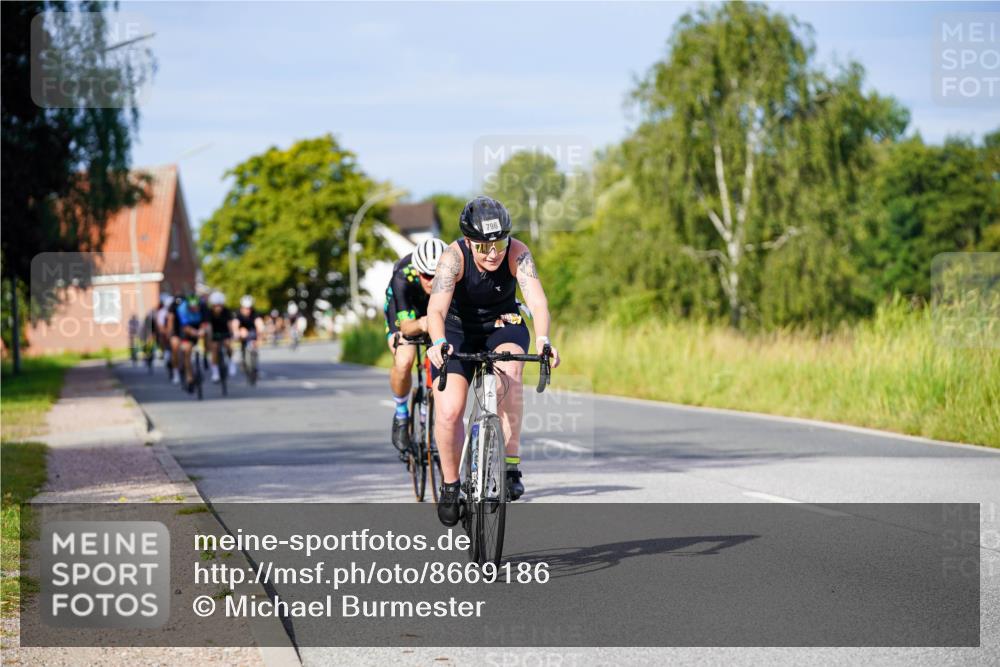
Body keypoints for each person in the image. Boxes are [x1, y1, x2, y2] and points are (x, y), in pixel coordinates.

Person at [426, 196, 560, 526]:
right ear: (469, 241)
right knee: (449, 410)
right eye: (482, 246)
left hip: (503, 324)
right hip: (457, 329)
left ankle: (511, 462)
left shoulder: (518, 253)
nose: (492, 253)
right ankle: (450, 484)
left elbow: (538, 303)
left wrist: (543, 339)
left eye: (498, 242)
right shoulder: (452, 258)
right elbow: (436, 310)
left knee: (511, 373)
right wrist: (438, 342)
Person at [383, 237, 449, 458]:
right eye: (427, 276)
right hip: (407, 309)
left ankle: (429, 412)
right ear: (418, 270)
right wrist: (422, 323)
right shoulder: (403, 275)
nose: (432, 281)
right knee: (404, 360)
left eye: (436, 276)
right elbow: (406, 325)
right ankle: (401, 414)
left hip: (437, 309)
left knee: (443, 354)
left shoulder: (454, 273)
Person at [176, 293, 209, 390]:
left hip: (199, 325)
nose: (194, 309)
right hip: (187, 328)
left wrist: (202, 330)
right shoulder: (182, 309)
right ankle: (189, 377)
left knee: (208, 333)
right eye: (192, 307)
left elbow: (205, 322)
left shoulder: (203, 307)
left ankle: (206, 354)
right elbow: (185, 327)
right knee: (187, 350)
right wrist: (194, 333)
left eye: (196, 307)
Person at [206, 291, 237, 383]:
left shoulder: (226, 311)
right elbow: (209, 327)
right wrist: (210, 339)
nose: (218, 308)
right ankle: (215, 372)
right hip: (214, 333)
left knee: (228, 345)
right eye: (216, 306)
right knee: (214, 348)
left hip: (225, 332)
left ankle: (231, 362)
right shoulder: (209, 313)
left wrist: (232, 335)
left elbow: (230, 324)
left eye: (220, 305)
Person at [234, 295, 264, 367]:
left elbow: (259, 323)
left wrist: (260, 334)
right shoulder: (238, 314)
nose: (248, 310)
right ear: (242, 307)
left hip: (252, 332)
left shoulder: (255, 313)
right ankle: (243, 354)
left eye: (249, 308)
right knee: (243, 333)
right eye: (246, 308)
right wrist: (237, 331)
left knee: (255, 344)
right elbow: (235, 324)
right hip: (243, 333)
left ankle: (254, 360)